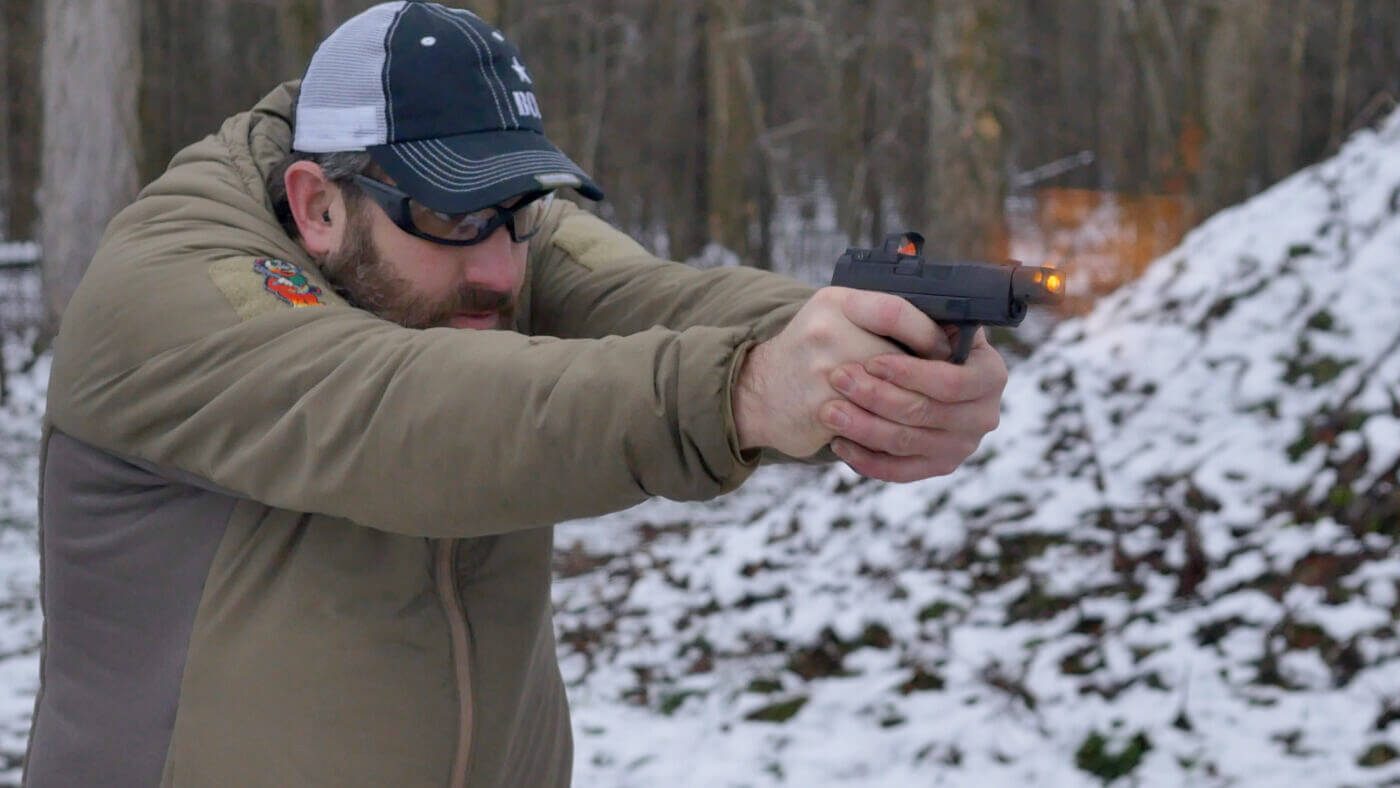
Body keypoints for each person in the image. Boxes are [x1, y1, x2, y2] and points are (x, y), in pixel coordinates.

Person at [23, 2, 1007, 786]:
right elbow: (401, 414)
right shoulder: (167, 287)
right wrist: (747, 390)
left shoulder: (456, 234)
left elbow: (650, 297)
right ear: (317, 206)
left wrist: (863, 345)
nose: (499, 266)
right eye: (457, 213)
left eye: (516, 213)